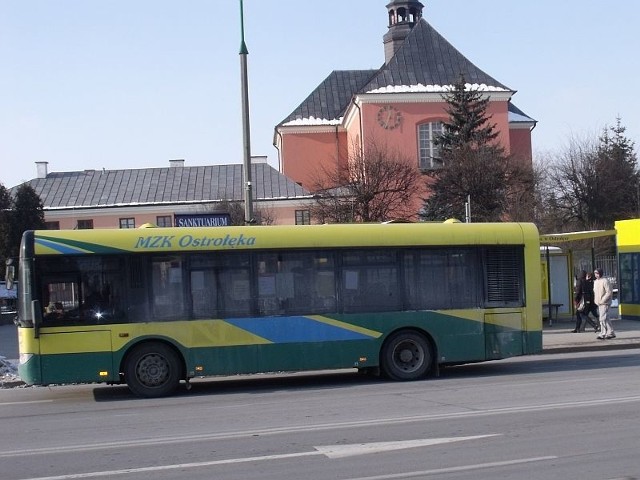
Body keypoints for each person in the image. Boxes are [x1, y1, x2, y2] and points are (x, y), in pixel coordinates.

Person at [593, 268, 615, 339]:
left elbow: (609, 292)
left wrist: (603, 300)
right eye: (595, 273)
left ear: (600, 273)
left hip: (605, 303)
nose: (596, 275)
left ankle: (602, 333)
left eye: (597, 273)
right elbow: (595, 292)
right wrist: (596, 301)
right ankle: (611, 332)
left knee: (602, 318)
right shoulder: (596, 282)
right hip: (599, 303)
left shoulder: (605, 281)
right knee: (606, 318)